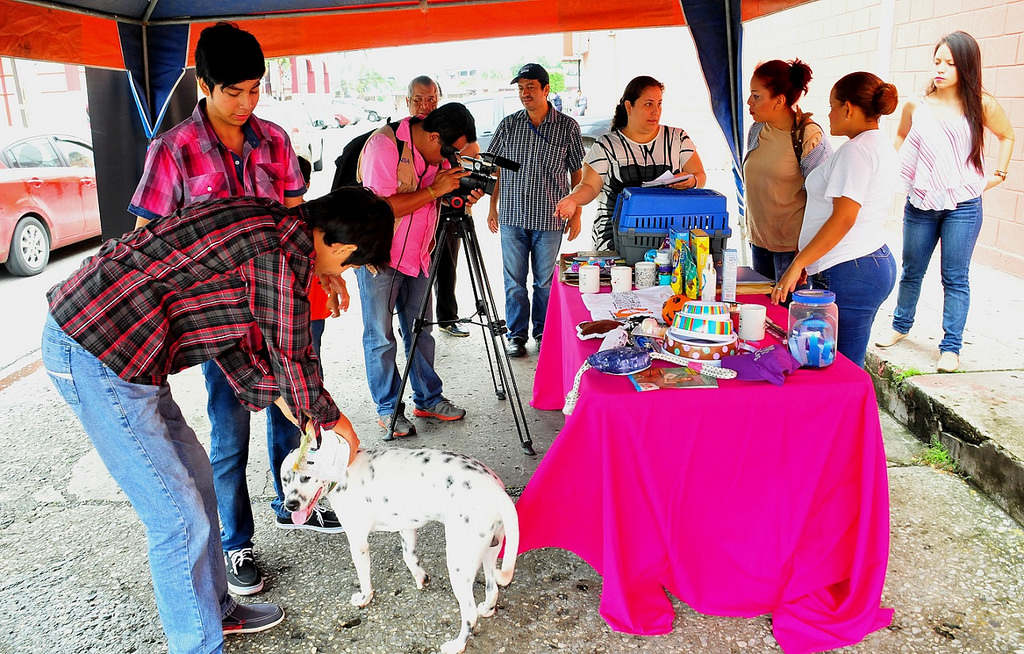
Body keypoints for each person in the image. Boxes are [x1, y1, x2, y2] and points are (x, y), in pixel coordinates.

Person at [42, 188, 394, 654]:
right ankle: (197, 644)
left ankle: (215, 611)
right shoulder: (280, 255)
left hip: (131, 352)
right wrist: (332, 419)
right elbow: (293, 354)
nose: (340, 273)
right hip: (95, 348)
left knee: (198, 482)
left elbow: (227, 332)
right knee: (177, 517)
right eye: (349, 264)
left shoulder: (267, 220)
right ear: (345, 248)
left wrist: (289, 402)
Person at [127, 22, 344, 599]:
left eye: (255, 89)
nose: (247, 103)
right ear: (204, 84)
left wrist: (324, 272)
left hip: (282, 303)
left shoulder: (274, 140)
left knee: (290, 411)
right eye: (234, 91)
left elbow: (300, 220)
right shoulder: (172, 150)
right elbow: (147, 238)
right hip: (218, 321)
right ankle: (236, 542)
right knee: (229, 429)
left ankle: (291, 500)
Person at [876, 31, 1015, 373]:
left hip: (964, 205)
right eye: (937, 61)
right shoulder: (916, 104)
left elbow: (1007, 135)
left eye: (950, 63)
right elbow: (902, 136)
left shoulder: (981, 104)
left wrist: (999, 174)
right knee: (912, 271)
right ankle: (900, 327)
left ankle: (951, 348)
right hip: (920, 201)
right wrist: (894, 168)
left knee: (955, 277)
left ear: (966, 66)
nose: (940, 69)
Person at [355, 102, 482, 438]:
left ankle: (428, 398)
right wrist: (433, 190)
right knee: (380, 338)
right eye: (451, 151)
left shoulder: (435, 148)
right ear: (435, 136)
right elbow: (379, 208)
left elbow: (431, 201)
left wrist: (457, 195)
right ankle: (388, 409)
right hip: (379, 259)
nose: (451, 159)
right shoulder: (384, 147)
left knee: (421, 330)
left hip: (419, 255)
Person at [770, 72, 900, 368]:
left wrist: (799, 263)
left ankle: (858, 416)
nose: (828, 113)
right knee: (841, 364)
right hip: (865, 263)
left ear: (849, 108)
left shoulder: (855, 152)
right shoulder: (877, 145)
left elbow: (843, 219)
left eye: (832, 105)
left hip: (851, 268)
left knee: (842, 368)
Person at [486, 63, 584, 357]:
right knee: (513, 282)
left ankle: (543, 332)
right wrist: (493, 207)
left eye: (530, 87)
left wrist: (576, 211)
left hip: (550, 218)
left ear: (545, 89)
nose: (524, 93)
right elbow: (497, 171)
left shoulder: (567, 127)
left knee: (544, 282)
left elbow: (577, 173)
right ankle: (516, 335)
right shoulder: (508, 125)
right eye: (520, 88)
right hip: (513, 216)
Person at [554, 75, 708, 252]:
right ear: (629, 106)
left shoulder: (678, 138)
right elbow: (589, 186)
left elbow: (700, 175)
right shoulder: (606, 145)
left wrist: (692, 181)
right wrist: (573, 199)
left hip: (667, 241)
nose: (656, 111)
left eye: (659, 104)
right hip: (613, 239)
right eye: (648, 104)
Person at [743, 59, 833, 283]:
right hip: (759, 241)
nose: (748, 102)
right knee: (764, 311)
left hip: (791, 249)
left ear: (779, 101)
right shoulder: (757, 129)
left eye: (756, 96)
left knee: (787, 313)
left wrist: (804, 254)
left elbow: (824, 198)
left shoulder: (808, 135)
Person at [405, 75, 477, 338]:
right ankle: (412, 325)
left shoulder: (451, 134)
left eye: (431, 99)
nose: (425, 105)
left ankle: (448, 318)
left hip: (445, 211)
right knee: (412, 279)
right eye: (419, 100)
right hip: (409, 219)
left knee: (447, 266)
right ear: (407, 102)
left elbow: (471, 151)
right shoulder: (400, 138)